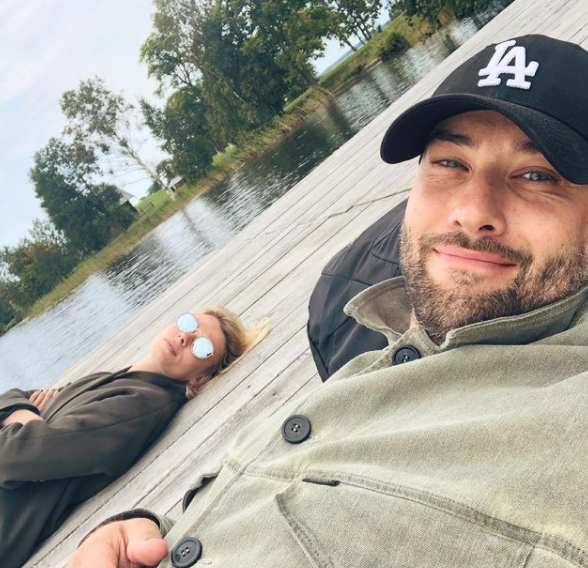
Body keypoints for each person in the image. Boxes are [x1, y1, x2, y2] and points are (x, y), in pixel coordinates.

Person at [66, 34, 588, 568]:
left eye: (537, 175)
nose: (472, 211)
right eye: (450, 162)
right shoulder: (364, 342)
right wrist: (154, 534)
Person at [0, 306, 266, 568]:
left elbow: (11, 456)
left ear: (200, 376)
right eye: (188, 323)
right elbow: (15, 397)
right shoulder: (113, 379)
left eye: (201, 346)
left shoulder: (140, 405)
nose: (185, 337)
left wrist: (24, 418)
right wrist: (26, 413)